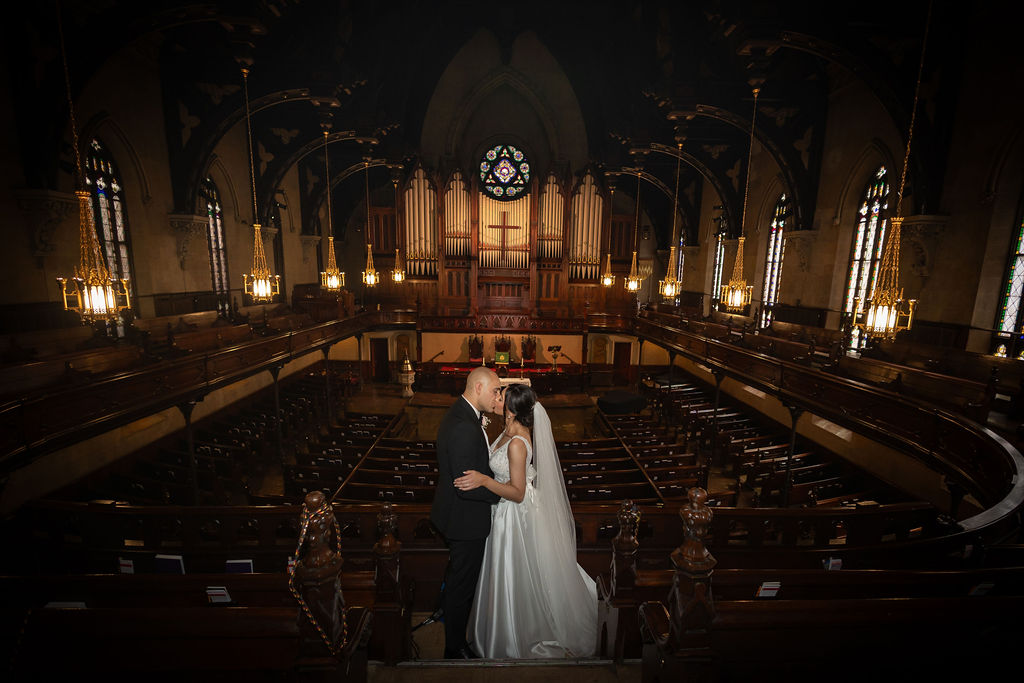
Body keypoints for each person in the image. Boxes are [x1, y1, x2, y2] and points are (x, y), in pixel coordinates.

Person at [455, 383, 598, 659]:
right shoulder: (508, 431)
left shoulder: (518, 443)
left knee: (515, 573)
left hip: (513, 515)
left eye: (501, 397)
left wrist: (484, 479)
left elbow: (518, 493)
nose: (496, 399)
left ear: (510, 409)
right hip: (503, 510)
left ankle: (516, 635)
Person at [430, 366, 503, 659]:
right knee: (463, 585)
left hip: (458, 514)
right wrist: (502, 495)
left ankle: (449, 622)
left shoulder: (463, 415)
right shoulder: (463, 425)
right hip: (464, 520)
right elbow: (466, 486)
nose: (498, 395)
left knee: (457, 577)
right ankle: (454, 646)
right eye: (495, 389)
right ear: (479, 388)